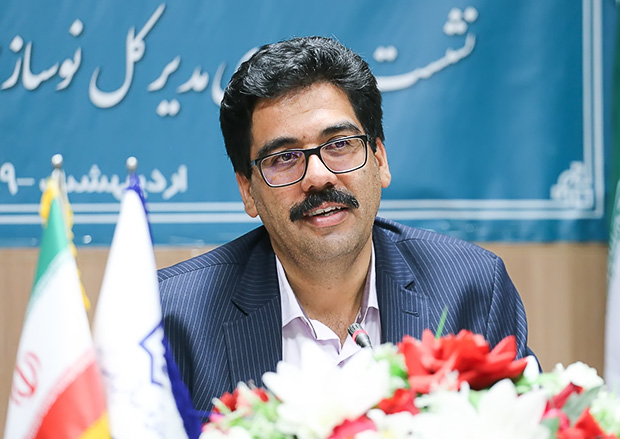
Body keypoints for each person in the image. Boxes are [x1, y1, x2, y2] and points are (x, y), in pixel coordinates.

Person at [158, 36, 537, 412]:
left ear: (379, 159)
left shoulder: (471, 289)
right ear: (247, 190)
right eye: (285, 157)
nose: (318, 177)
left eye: (339, 145)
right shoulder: (173, 316)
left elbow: (527, 435)